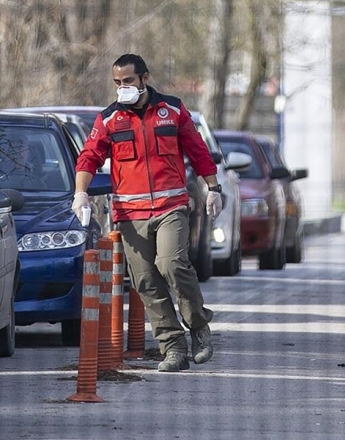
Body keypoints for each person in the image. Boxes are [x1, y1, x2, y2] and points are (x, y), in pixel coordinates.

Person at [73, 54, 223, 372]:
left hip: (171, 207)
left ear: (144, 78)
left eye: (128, 81)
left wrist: (213, 187)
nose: (122, 88)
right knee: (145, 282)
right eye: (117, 83)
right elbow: (89, 157)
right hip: (130, 213)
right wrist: (80, 193)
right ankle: (173, 349)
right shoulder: (109, 120)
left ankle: (198, 326)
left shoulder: (172, 111)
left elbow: (197, 149)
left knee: (171, 264)